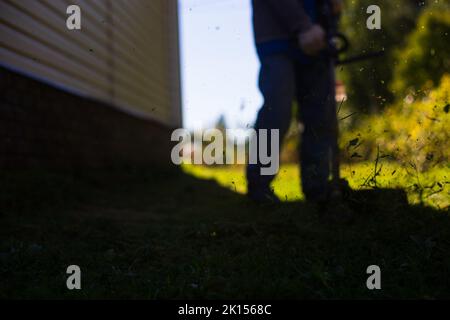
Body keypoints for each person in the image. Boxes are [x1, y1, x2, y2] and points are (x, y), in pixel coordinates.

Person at [247, 0, 343, 204]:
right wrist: (303, 26)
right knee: (277, 110)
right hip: (277, 40)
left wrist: (331, 19)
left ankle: (317, 187)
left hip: (317, 43)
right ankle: (259, 185)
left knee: (320, 115)